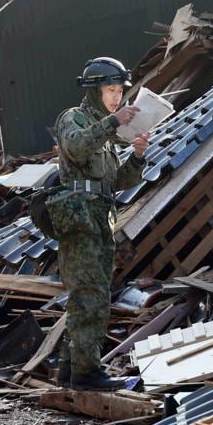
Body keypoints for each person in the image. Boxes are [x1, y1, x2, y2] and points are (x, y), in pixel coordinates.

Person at [49, 57, 150, 391]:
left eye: (120, 91)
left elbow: (115, 180)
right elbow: (76, 149)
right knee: (89, 294)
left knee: (89, 294)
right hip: (79, 218)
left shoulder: (106, 131)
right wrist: (112, 123)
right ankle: (88, 373)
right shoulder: (74, 119)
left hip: (99, 215)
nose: (116, 97)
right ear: (94, 91)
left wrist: (136, 156)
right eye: (110, 90)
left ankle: (70, 370)